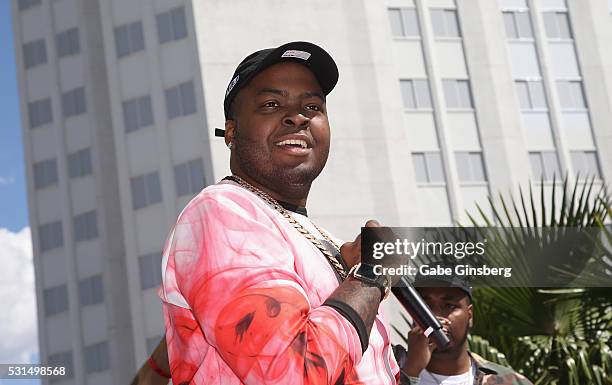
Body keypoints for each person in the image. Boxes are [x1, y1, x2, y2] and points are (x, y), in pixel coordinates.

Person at [155, 41, 412, 384]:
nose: (298, 116)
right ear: (231, 131)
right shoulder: (221, 212)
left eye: (312, 106)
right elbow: (294, 373)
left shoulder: (321, 241)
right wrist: (371, 278)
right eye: (271, 104)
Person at [397, 271, 533, 385]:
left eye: (449, 306)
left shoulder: (509, 381)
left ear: (470, 315)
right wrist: (411, 371)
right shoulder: (384, 368)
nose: (435, 316)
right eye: (424, 306)